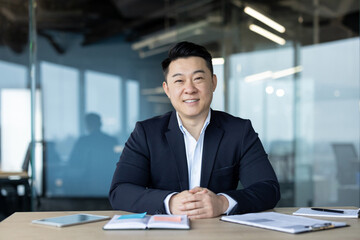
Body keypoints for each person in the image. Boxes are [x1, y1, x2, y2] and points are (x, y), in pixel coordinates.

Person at [109, 41, 280, 219]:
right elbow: (120, 191)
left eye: (198, 78)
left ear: (213, 83)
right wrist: (170, 202)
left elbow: (268, 189)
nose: (189, 89)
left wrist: (222, 203)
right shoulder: (146, 133)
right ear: (167, 89)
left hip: (219, 232)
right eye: (179, 81)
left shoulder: (239, 131)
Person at [67, 113, 118, 196]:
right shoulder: (111, 140)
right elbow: (117, 161)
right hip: (108, 181)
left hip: (88, 181)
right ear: (100, 124)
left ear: (87, 125)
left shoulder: (83, 141)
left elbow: (73, 161)